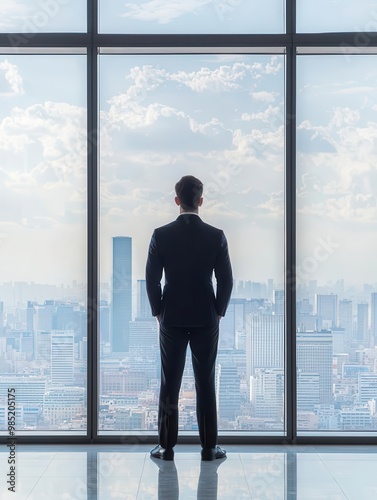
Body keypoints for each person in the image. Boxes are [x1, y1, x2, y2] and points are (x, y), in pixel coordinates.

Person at [146, 175, 233, 461]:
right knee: (205, 382)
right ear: (201, 201)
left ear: (176, 201)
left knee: (169, 382)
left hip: (171, 317)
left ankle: (166, 448)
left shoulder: (161, 235)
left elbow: (151, 280)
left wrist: (159, 310)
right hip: (206, 318)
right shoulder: (216, 235)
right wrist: (218, 311)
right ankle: (209, 448)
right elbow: (226, 281)